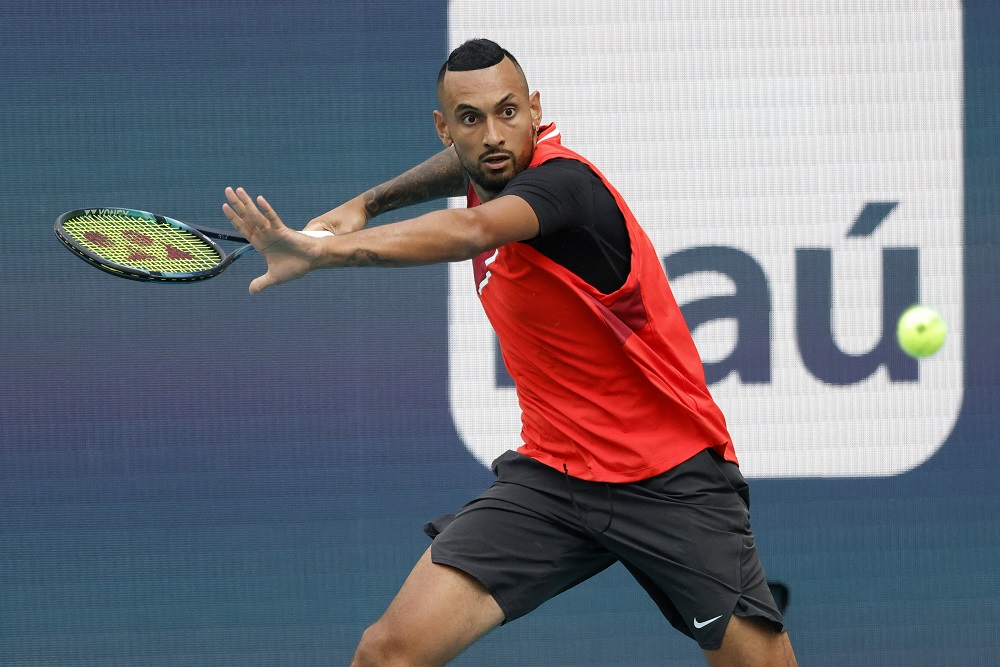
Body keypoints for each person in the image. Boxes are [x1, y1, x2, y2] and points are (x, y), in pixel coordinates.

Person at [223, 38, 797, 667]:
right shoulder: (485, 165)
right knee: (388, 653)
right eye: (470, 119)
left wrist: (320, 252)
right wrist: (367, 202)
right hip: (555, 478)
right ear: (446, 129)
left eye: (508, 112)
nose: (494, 135)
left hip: (668, 479)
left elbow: (472, 231)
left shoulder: (565, 187)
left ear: (535, 110)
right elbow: (464, 168)